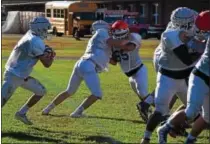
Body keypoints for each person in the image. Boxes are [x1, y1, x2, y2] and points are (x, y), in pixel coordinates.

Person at [42, 20, 131, 117]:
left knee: (69, 91)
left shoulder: (101, 42)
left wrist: (117, 57)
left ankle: (47, 109)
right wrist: (127, 44)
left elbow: (112, 61)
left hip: (82, 64)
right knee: (97, 94)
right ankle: (77, 112)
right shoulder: (102, 33)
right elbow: (112, 43)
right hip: (88, 65)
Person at [140, 7, 201, 144]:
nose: (195, 23)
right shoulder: (170, 34)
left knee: (194, 111)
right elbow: (186, 59)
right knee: (160, 110)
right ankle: (146, 137)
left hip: (186, 77)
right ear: (185, 23)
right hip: (168, 77)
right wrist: (203, 50)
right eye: (192, 21)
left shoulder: (192, 29)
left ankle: (168, 127)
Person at [157, 10, 210, 144]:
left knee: (208, 117)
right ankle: (164, 128)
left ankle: (190, 140)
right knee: (191, 111)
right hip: (201, 77)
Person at [1, 16, 55, 125]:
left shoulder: (31, 34)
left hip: (21, 75)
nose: (47, 31)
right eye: (45, 29)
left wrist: (45, 50)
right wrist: (52, 56)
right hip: (14, 75)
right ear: (40, 28)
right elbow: (47, 64)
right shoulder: (35, 41)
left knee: (41, 91)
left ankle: (21, 113)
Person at [109, 20, 154, 123]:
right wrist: (106, 57)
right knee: (142, 96)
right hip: (130, 76)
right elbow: (114, 62)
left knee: (143, 93)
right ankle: (150, 113)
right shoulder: (113, 44)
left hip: (139, 70)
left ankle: (163, 110)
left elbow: (130, 47)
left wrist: (113, 43)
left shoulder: (133, 37)